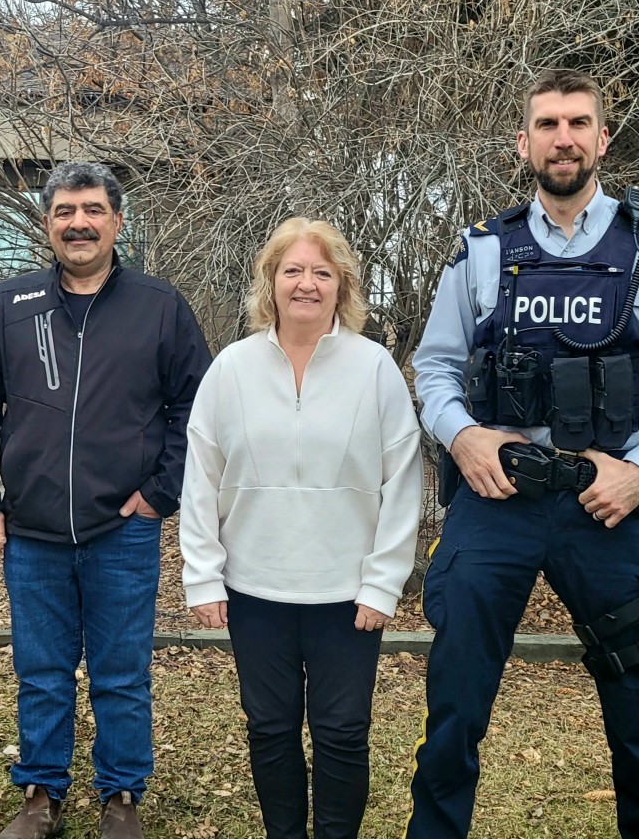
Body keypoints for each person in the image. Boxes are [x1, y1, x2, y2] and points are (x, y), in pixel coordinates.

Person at [405, 69, 639, 839]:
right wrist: (464, 434)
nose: (563, 137)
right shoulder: (481, 251)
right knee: (452, 706)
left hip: (605, 501)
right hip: (499, 500)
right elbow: (434, 369)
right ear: (523, 142)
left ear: (601, 138)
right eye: (546, 124)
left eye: (578, 122)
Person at [0, 162, 211, 839]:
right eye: (64, 211)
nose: (78, 222)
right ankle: (40, 791)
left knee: (120, 672)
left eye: (92, 209)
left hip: (120, 527)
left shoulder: (159, 306)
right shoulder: (9, 305)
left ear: (117, 221)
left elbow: (197, 407)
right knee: (41, 670)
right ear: (46, 223)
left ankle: (120, 795)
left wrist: (161, 492)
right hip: (32, 528)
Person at [179, 218, 421, 839]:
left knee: (343, 732)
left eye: (321, 272)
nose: (306, 284)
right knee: (270, 727)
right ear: (271, 281)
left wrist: (383, 584)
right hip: (255, 589)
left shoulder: (374, 369)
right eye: (293, 271)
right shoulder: (231, 369)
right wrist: (203, 577)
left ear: (341, 285)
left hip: (347, 595)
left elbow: (403, 482)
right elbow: (201, 477)